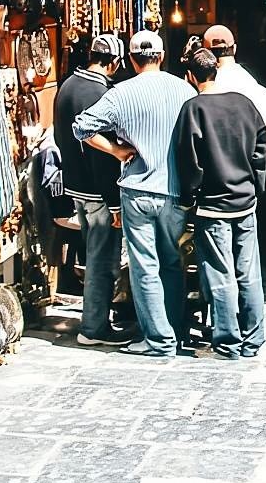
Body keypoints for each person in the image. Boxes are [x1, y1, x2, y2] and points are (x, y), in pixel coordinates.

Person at [74, 30, 196, 357]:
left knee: (145, 265)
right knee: (171, 261)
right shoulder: (184, 89)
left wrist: (115, 150)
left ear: (130, 60)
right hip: (173, 189)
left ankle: (157, 339)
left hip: (138, 188)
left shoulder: (121, 93)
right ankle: (173, 330)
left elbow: (81, 127)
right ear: (162, 55)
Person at [174, 48, 266, 359]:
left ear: (191, 76)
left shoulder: (194, 109)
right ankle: (253, 338)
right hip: (245, 199)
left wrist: (189, 196)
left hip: (212, 204)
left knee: (220, 272)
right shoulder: (245, 104)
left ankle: (227, 341)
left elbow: (189, 161)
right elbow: (260, 151)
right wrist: (257, 187)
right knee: (248, 270)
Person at [53, 33, 132, 346]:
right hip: (98, 191)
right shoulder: (102, 93)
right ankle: (93, 327)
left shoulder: (67, 86)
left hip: (76, 187)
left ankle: (93, 318)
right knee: (102, 260)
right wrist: (114, 203)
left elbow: (62, 138)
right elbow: (103, 157)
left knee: (93, 253)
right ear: (113, 63)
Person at [202, 24, 266, 153]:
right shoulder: (247, 81)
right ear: (235, 48)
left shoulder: (208, 87)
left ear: (206, 53)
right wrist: (255, 155)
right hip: (245, 167)